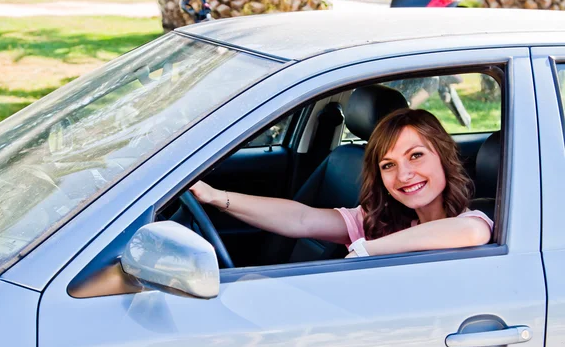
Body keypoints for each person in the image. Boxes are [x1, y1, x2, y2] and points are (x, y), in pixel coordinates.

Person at [190, 108, 493, 258]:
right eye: (388, 165)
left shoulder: (470, 220)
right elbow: (302, 219)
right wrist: (216, 197)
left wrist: (366, 251)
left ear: (443, 155)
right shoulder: (379, 221)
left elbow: (472, 231)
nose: (403, 175)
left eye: (416, 156)